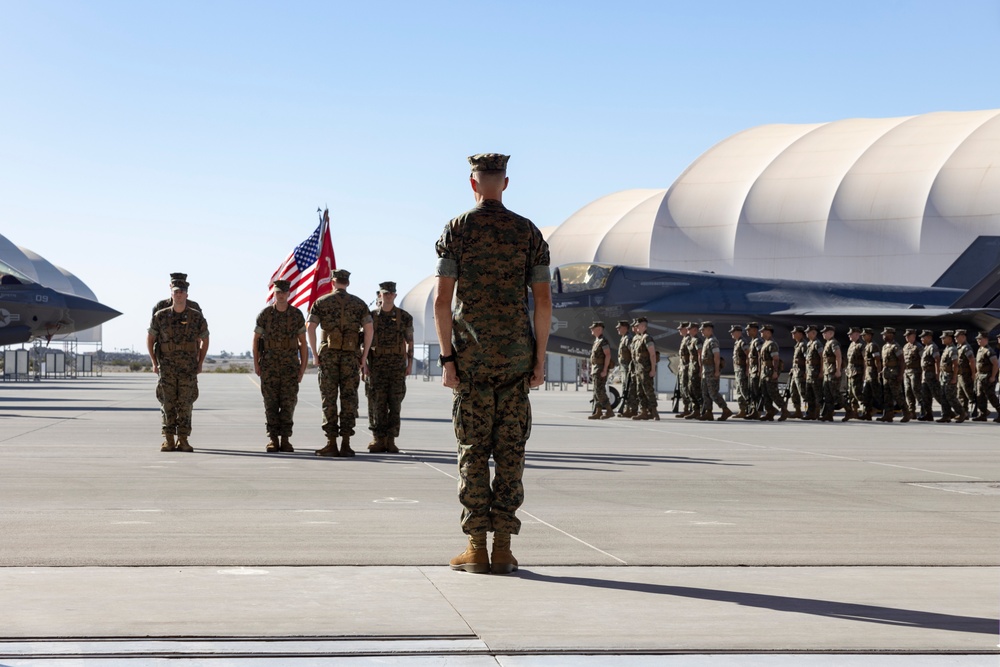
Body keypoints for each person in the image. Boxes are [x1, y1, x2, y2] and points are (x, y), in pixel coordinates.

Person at [435, 153, 551, 575]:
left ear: (473, 183)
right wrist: (538, 359)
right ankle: (502, 547)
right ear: (504, 183)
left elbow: (442, 301)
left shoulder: (457, 230)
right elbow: (542, 301)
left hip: (471, 362)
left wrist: (448, 358)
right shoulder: (528, 232)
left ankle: (475, 547)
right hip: (517, 361)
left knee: (472, 451)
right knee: (510, 452)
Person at [307, 269, 374, 458]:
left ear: (333, 282)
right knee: (349, 398)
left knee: (329, 399)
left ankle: (331, 443)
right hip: (351, 357)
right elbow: (369, 329)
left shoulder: (321, 302)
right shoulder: (359, 304)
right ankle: (346, 443)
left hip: (328, 356)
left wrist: (314, 353)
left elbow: (310, 327)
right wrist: (364, 355)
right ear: (348, 283)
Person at [147, 280, 209, 452]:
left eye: (182, 291)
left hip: (188, 368)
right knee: (167, 402)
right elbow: (150, 338)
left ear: (187, 294)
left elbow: (205, 338)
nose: (179, 294)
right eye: (176, 291)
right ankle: (168, 440)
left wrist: (200, 362)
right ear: (171, 294)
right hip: (166, 367)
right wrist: (154, 362)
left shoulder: (196, 316)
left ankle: (183, 439)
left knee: (186, 403)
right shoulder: (160, 315)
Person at [252, 279, 308, 452]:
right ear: (274, 294)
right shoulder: (265, 314)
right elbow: (255, 341)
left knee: (288, 403)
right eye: (278, 292)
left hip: (290, 366)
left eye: (283, 292)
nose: (281, 295)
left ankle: (285, 439)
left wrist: (302, 368)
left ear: (289, 294)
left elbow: (303, 344)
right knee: (270, 403)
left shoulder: (296, 315)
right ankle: (273, 439)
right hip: (269, 366)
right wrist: (256, 363)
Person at [366, 281, 415, 453]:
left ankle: (391, 439)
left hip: (396, 366)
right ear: (380, 295)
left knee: (395, 403)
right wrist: (364, 364)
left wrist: (409, 364)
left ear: (395, 295)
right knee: (376, 403)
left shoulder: (405, 317)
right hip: (376, 364)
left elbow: (409, 341)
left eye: (390, 293)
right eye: (384, 293)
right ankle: (378, 439)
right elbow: (363, 343)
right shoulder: (370, 317)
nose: (387, 296)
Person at [697, 321, 732, 421]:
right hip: (706, 371)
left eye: (703, 330)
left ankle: (725, 409)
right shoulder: (707, 341)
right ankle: (708, 413)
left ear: (709, 330)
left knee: (713, 393)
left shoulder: (713, 341)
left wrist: (717, 370)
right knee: (705, 393)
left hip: (711, 371)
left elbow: (716, 357)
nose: (702, 332)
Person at [631, 317, 659, 421]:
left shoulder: (647, 338)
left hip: (646, 369)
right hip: (638, 369)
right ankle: (643, 412)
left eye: (638, 325)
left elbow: (652, 354)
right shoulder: (638, 338)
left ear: (643, 326)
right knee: (640, 391)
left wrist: (653, 369)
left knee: (648, 391)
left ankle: (654, 412)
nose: (636, 327)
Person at [757, 324, 786, 421]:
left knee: (773, 393)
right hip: (764, 372)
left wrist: (775, 372)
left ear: (768, 332)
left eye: (763, 331)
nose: (761, 332)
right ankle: (770, 412)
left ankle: (784, 411)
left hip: (770, 372)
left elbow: (776, 359)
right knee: (765, 394)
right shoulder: (765, 343)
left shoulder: (772, 344)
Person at [937, 330, 967, 423]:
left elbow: (955, 364)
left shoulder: (952, 349)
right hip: (944, 375)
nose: (942, 339)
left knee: (951, 396)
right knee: (943, 396)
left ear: (949, 339)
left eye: (944, 338)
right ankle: (946, 415)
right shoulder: (947, 348)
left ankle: (962, 413)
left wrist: (954, 377)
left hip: (950, 376)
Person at [880, 327, 907, 423]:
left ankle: (906, 413)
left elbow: (901, 360)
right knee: (887, 396)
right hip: (886, 374)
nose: (883, 336)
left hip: (894, 373)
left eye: (885, 334)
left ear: (891, 335)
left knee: (897, 395)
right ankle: (888, 414)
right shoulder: (884, 346)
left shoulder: (896, 346)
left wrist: (900, 374)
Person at [587, 321, 614, 420]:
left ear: (599, 329)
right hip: (596, 369)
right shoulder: (597, 340)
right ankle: (598, 411)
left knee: (600, 391)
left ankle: (609, 410)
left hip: (600, 369)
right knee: (596, 391)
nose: (591, 330)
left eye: (593, 328)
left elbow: (608, 355)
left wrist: (605, 369)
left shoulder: (603, 341)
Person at [972, 331, 1000, 422]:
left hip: (988, 377)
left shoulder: (989, 351)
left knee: (991, 396)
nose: (978, 341)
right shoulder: (980, 349)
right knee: (980, 396)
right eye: (977, 339)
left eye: (980, 339)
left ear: (986, 339)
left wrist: (993, 376)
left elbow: (995, 364)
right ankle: (983, 414)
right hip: (980, 377)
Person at [819, 325, 842, 422]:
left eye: (825, 332)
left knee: (835, 393)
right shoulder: (828, 343)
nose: (823, 334)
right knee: (827, 394)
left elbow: (838, 357)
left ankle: (849, 410)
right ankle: (829, 414)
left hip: (832, 372)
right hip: (827, 372)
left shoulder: (833, 343)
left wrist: (838, 370)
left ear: (831, 333)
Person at [918, 329, 941, 421]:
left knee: (937, 395)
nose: (921, 339)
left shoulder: (932, 347)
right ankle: (928, 414)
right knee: (925, 396)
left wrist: (937, 373)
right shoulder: (926, 347)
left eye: (923, 337)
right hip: (925, 374)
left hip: (931, 374)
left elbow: (937, 360)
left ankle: (948, 412)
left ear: (929, 337)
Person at [616, 320, 637, 418]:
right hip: (624, 368)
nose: (617, 329)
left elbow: (633, 353)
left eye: (619, 327)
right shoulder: (623, 338)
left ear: (625, 328)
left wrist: (632, 368)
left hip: (628, 368)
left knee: (630, 389)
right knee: (626, 388)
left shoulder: (628, 338)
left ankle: (632, 410)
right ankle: (627, 409)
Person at [861, 327, 883, 421]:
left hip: (873, 373)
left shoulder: (873, 346)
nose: (863, 337)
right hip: (868, 373)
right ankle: (867, 413)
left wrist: (878, 372)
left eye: (864, 335)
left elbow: (877, 360)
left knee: (876, 394)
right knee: (866, 394)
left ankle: (885, 410)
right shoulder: (867, 345)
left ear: (869, 336)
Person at [843, 326, 864, 422]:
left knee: (857, 392)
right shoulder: (851, 345)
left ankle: (867, 409)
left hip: (858, 372)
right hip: (851, 372)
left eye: (851, 334)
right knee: (851, 393)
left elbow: (865, 361)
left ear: (857, 334)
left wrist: (865, 374)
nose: (849, 335)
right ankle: (854, 412)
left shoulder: (861, 345)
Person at [901, 328, 923, 423]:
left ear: (913, 336)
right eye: (906, 336)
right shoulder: (905, 347)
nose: (906, 337)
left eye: (908, 336)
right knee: (908, 391)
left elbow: (923, 360)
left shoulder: (918, 347)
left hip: (916, 371)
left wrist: (922, 373)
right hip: (907, 372)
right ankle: (911, 411)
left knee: (916, 390)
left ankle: (924, 409)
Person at [955, 329, 976, 416]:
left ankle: (979, 410)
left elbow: (972, 361)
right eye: (955, 336)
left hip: (966, 375)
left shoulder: (966, 347)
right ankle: (964, 413)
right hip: (960, 374)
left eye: (957, 336)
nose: (955, 338)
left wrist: (973, 374)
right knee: (961, 395)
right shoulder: (959, 347)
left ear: (963, 337)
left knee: (969, 393)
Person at [803, 325, 823, 420]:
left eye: (808, 332)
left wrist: (821, 371)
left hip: (815, 372)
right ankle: (810, 413)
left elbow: (822, 358)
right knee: (809, 394)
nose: (806, 334)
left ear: (814, 333)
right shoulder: (809, 344)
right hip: (810, 373)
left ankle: (817, 413)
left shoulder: (817, 344)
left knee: (817, 394)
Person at [788, 325, 807, 419]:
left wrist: (806, 372)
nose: (792, 334)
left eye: (794, 332)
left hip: (801, 373)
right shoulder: (798, 345)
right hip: (795, 372)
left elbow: (807, 359)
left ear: (800, 334)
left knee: (803, 393)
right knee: (793, 392)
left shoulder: (803, 345)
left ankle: (811, 411)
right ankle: (798, 411)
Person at [730, 324, 749, 418]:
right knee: (739, 391)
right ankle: (742, 410)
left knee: (744, 390)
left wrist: (747, 369)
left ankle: (753, 409)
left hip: (742, 369)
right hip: (737, 369)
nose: (731, 334)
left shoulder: (743, 342)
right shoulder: (737, 342)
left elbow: (748, 355)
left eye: (733, 332)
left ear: (738, 332)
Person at [684, 323, 702, 420]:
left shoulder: (697, 340)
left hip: (696, 368)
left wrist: (701, 369)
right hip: (691, 368)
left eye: (689, 329)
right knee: (691, 390)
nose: (688, 330)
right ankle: (696, 410)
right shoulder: (691, 340)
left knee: (696, 390)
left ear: (695, 330)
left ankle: (701, 411)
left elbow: (700, 355)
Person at [745, 322, 762, 419]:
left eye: (749, 329)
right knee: (752, 391)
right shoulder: (752, 342)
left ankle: (758, 412)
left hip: (756, 370)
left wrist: (759, 370)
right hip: (752, 370)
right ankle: (754, 410)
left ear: (755, 330)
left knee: (756, 392)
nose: (747, 331)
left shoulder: (758, 342)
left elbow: (760, 356)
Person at [675, 322, 692, 418]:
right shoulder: (684, 339)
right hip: (683, 367)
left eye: (681, 329)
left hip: (687, 368)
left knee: (687, 389)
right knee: (683, 389)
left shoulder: (689, 339)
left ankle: (691, 409)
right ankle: (686, 409)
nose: (679, 331)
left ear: (686, 329)